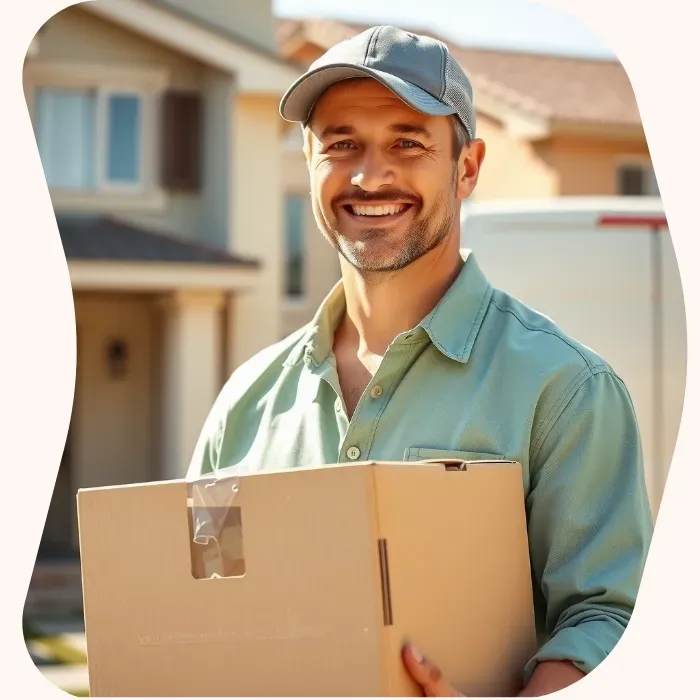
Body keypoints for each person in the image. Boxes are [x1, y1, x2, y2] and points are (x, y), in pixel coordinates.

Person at [187, 25, 653, 697]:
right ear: (310, 160)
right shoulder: (248, 400)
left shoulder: (566, 390)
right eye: (340, 144)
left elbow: (608, 618)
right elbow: (201, 602)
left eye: (407, 143)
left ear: (466, 168)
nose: (369, 175)